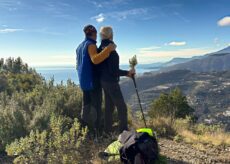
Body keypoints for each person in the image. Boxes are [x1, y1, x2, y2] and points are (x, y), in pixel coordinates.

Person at [76, 25, 116, 135]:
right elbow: (95, 60)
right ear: (94, 34)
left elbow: (78, 65)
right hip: (93, 82)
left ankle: (85, 132)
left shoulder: (79, 47)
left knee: (86, 107)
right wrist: (108, 49)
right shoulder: (91, 45)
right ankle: (97, 134)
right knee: (96, 108)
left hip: (84, 83)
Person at [98, 26, 135, 133]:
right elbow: (114, 71)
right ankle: (124, 132)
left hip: (103, 81)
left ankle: (107, 131)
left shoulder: (100, 48)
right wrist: (127, 73)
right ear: (111, 35)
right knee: (122, 108)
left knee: (109, 107)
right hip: (111, 83)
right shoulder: (111, 52)